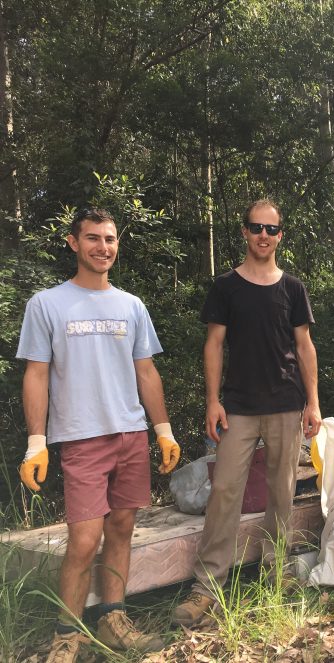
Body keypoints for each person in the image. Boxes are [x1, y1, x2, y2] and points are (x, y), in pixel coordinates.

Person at [16, 207, 181, 663]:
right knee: (84, 540)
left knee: (123, 529)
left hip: (130, 434)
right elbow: (36, 374)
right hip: (81, 439)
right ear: (73, 242)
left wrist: (162, 431)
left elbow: (145, 372)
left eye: (109, 239)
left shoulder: (131, 305)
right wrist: (36, 443)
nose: (102, 247)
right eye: (92, 238)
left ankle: (113, 620)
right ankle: (66, 637)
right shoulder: (47, 304)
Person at [172, 199, 321, 627]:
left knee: (281, 492)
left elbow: (305, 345)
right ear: (244, 232)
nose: (263, 235)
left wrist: (313, 401)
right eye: (256, 228)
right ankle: (207, 589)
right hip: (237, 406)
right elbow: (214, 345)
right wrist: (212, 401)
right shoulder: (226, 287)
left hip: (286, 404)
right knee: (224, 495)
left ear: (280, 236)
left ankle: (277, 576)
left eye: (271, 229)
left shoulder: (292, 288)